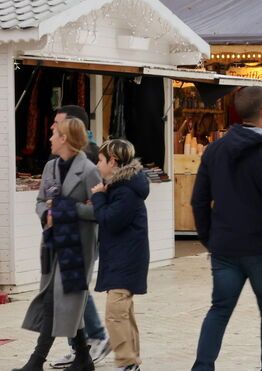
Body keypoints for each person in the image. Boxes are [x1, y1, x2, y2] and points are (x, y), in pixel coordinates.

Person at [190, 86, 262, 371]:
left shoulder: (215, 149)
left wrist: (209, 238)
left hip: (225, 246)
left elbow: (199, 200)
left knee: (220, 309)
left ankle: (202, 366)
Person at [15, 117, 101, 371]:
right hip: (52, 244)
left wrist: (65, 209)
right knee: (67, 303)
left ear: (65, 138)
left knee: (56, 301)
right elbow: (41, 201)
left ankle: (36, 361)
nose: (50, 138)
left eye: (54, 134)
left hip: (76, 248)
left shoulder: (89, 171)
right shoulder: (50, 167)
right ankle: (83, 358)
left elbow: (98, 211)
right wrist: (47, 214)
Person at [49, 106, 109, 369]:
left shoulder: (90, 158)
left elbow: (97, 205)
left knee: (74, 289)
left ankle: (92, 339)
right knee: (70, 288)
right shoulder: (58, 159)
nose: (53, 128)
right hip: (62, 236)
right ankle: (82, 345)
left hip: (80, 237)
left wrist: (67, 208)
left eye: (58, 123)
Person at [88, 139, 149, 371]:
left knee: (115, 314)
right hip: (123, 257)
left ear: (112, 161)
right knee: (124, 313)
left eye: (100, 160)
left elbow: (110, 220)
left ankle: (127, 362)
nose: (97, 165)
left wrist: (98, 196)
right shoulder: (123, 187)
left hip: (126, 259)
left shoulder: (125, 190)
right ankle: (131, 361)